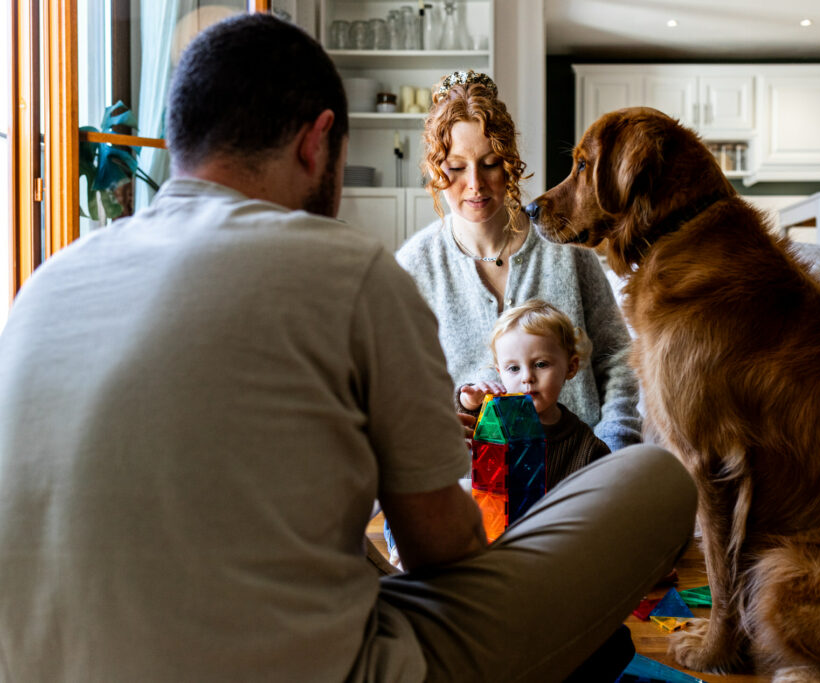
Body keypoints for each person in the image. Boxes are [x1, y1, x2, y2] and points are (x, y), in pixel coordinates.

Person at [0, 14, 698, 682]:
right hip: (317, 663)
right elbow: (443, 553)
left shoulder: (44, 285)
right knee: (658, 480)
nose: (474, 184)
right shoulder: (354, 270)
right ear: (318, 141)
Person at [396, 70, 643, 452]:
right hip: (467, 484)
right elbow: (399, 388)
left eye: (490, 163)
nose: (475, 184)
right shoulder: (415, 265)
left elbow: (618, 359)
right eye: (456, 168)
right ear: (435, 170)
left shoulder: (565, 247)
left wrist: (612, 449)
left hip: (578, 474)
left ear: (510, 164)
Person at [460, 299, 611, 489]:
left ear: (571, 367)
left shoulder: (585, 446)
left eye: (541, 364)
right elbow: (465, 419)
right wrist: (470, 401)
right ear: (500, 373)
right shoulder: (493, 414)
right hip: (484, 513)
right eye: (514, 368)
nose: (527, 378)